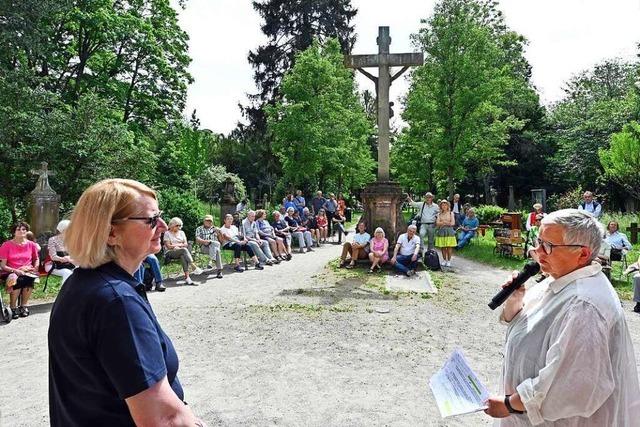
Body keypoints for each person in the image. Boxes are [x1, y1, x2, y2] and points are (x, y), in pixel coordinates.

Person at [48, 179, 204, 426]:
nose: (163, 225)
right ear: (111, 232)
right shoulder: (116, 301)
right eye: (151, 220)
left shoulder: (83, 284)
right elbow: (163, 419)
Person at [484, 209, 640, 425]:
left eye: (548, 246)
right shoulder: (558, 278)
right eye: (539, 241)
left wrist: (510, 404)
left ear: (583, 254)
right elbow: (527, 327)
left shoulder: (585, 305)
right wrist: (515, 300)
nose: (537, 251)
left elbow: (572, 386)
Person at [0, 222, 39, 318]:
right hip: (10, 270)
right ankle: (13, 307)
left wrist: (36, 267)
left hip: (27, 270)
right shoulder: (6, 245)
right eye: (18, 229)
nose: (21, 231)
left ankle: (23, 306)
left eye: (24, 229)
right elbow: (3, 265)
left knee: (29, 278)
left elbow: (36, 258)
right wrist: (16, 271)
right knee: (18, 279)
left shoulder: (31, 244)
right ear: (14, 232)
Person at [163, 217, 203, 285]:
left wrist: (177, 246)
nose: (179, 227)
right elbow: (168, 246)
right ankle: (193, 266)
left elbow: (186, 244)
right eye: (177, 225)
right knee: (184, 250)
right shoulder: (167, 233)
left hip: (180, 251)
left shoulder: (182, 233)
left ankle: (187, 278)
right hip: (169, 252)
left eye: (180, 225)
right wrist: (179, 245)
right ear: (172, 225)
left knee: (183, 255)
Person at [46, 219, 76, 286]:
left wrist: (71, 259)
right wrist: (64, 259)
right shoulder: (52, 240)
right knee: (67, 272)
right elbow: (53, 257)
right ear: (62, 229)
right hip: (53, 265)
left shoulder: (72, 240)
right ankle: (64, 293)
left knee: (81, 270)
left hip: (69, 264)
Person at [195, 214, 223, 279]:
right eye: (207, 220)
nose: (208, 222)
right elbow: (197, 238)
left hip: (214, 247)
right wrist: (204, 241)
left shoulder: (215, 229)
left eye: (210, 221)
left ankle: (212, 263)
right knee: (216, 246)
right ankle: (217, 268)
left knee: (217, 250)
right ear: (204, 221)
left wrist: (219, 233)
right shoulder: (199, 228)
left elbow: (221, 241)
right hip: (204, 246)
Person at [435, 199, 456, 267]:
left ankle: (449, 261)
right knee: (443, 247)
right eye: (442, 205)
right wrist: (446, 223)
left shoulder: (451, 213)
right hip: (441, 231)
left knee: (449, 247)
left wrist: (443, 223)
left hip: (449, 231)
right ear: (440, 206)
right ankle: (444, 260)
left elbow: (453, 223)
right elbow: (437, 223)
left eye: (445, 205)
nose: (444, 206)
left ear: (448, 206)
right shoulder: (439, 214)